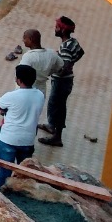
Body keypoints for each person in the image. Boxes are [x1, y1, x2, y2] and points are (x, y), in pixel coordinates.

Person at [0, 63, 43, 190]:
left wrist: (6, 111)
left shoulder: (12, 96)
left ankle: (0, 194)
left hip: (8, 139)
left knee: (4, 171)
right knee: (24, 172)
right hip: (28, 140)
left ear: (19, 80)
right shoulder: (40, 95)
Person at [40, 16, 83, 147]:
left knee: (56, 106)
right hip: (66, 81)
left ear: (63, 30)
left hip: (61, 82)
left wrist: (51, 70)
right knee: (57, 105)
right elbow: (80, 53)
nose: (55, 29)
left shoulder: (65, 47)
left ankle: (57, 137)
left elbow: (64, 67)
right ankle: (52, 125)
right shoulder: (72, 42)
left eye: (57, 27)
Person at [18, 28, 63, 103]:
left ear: (30, 39)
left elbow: (20, 75)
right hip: (41, 91)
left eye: (24, 38)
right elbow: (60, 65)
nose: (23, 40)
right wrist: (48, 73)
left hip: (26, 93)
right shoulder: (51, 53)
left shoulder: (28, 56)